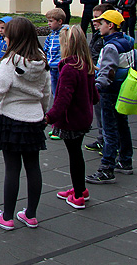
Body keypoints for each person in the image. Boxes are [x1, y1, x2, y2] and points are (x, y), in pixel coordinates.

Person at [0, 17, 51, 231]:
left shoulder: (9, 62)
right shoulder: (42, 60)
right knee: (33, 167)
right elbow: (46, 91)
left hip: (12, 120)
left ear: (15, 38)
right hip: (34, 119)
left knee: (12, 169)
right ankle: (31, 215)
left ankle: (7, 216)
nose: (4, 38)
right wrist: (44, 112)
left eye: (6, 35)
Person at [46, 26, 99, 209]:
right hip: (83, 117)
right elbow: (95, 95)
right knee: (76, 154)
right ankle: (80, 188)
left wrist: (49, 117)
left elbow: (63, 99)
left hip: (72, 120)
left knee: (74, 155)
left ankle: (78, 195)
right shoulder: (85, 64)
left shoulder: (69, 68)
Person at [86, 10, 135, 184]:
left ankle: (107, 168)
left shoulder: (110, 47)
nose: (98, 26)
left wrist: (94, 88)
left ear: (111, 25)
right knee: (122, 125)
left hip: (109, 92)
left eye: (102, 22)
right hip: (122, 90)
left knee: (109, 131)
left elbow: (107, 73)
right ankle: (125, 160)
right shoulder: (128, 41)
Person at [84, 4, 110, 153]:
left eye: (98, 18)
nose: (94, 21)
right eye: (93, 17)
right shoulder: (97, 35)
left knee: (106, 113)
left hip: (102, 79)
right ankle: (102, 139)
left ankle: (109, 142)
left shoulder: (107, 40)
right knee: (99, 111)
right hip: (95, 76)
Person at [44, 8, 67, 140]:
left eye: (51, 21)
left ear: (60, 21)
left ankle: (60, 125)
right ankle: (56, 125)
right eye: (48, 21)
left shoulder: (64, 35)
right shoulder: (51, 36)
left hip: (61, 68)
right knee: (54, 95)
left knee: (60, 96)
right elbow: (46, 49)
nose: (48, 24)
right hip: (52, 68)